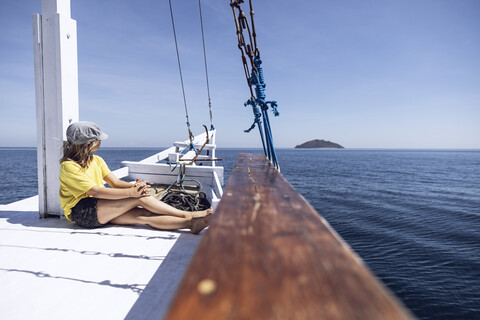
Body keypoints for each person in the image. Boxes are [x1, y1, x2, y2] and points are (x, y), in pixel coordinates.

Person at [59, 121, 212, 234]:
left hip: (100, 206)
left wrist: (136, 187)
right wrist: (132, 193)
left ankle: (191, 224)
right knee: (138, 199)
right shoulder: (69, 166)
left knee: (144, 216)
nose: (100, 142)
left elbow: (115, 182)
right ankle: (189, 214)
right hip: (83, 211)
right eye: (98, 139)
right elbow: (96, 191)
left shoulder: (97, 160)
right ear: (88, 144)